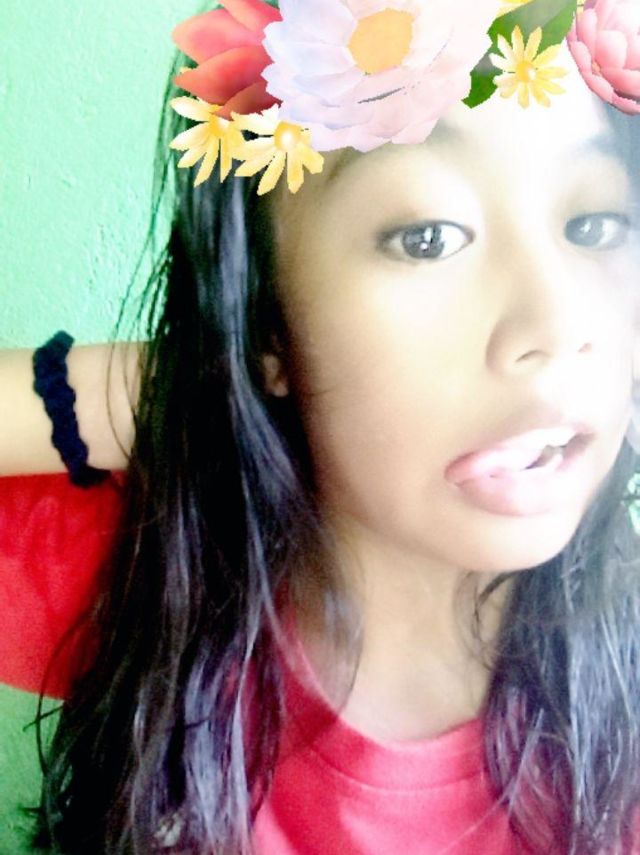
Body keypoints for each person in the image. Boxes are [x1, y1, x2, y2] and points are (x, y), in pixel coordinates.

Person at [2, 0, 640, 852]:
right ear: (268, 316)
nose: (556, 324)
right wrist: (207, 380)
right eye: (427, 237)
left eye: (594, 225)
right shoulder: (155, 573)